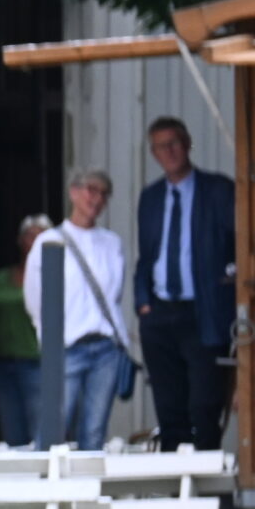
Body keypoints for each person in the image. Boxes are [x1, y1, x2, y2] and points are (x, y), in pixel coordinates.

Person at [133, 116, 236, 452]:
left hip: (202, 310)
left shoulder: (219, 189)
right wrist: (143, 303)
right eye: (162, 146)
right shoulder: (150, 198)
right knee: (168, 404)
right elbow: (146, 256)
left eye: (175, 142)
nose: (171, 151)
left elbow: (240, 242)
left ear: (188, 143)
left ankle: (208, 493)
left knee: (205, 404)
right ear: (153, 153)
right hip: (160, 312)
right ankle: (173, 493)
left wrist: (229, 283)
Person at [27, 170, 131, 452]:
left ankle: (87, 491)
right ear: (73, 192)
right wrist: (48, 342)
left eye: (103, 193)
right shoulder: (49, 240)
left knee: (94, 430)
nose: (96, 198)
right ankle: (47, 491)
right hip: (67, 345)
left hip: (106, 348)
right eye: (90, 190)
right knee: (53, 428)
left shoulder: (112, 243)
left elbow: (114, 294)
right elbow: (35, 298)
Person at [0, 216, 49, 448]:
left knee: (39, 430)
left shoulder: (51, 277)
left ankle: (43, 483)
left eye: (40, 234)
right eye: (29, 235)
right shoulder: (2, 279)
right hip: (3, 364)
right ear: (20, 240)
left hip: (35, 362)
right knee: (12, 433)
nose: (34, 240)